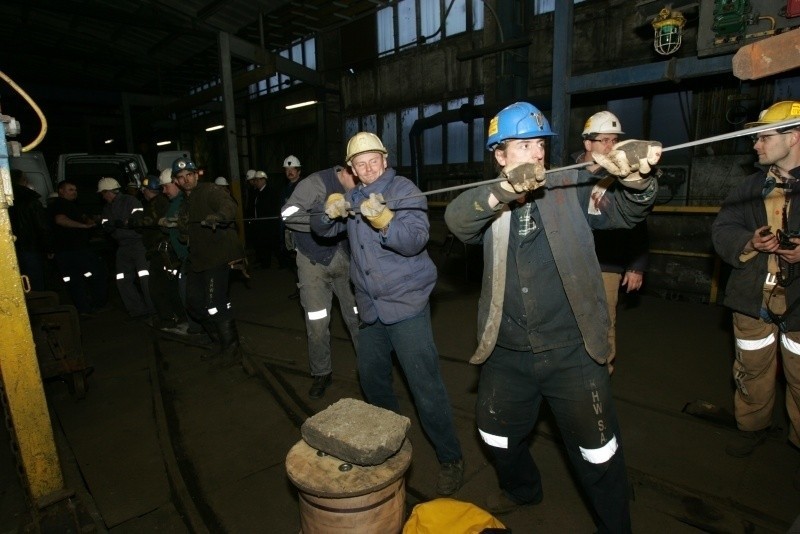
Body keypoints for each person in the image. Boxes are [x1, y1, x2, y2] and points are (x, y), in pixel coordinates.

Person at [444, 102, 661, 530]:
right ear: (500, 155)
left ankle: (616, 525)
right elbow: (457, 222)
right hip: (507, 350)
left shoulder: (572, 186)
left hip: (571, 349)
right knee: (495, 435)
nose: (537, 155)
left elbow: (621, 211)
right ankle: (522, 488)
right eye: (524, 145)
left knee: (599, 451)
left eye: (541, 145)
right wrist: (503, 192)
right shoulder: (488, 201)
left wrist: (637, 182)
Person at [313, 132, 464, 496]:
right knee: (373, 378)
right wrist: (329, 210)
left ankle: (451, 458)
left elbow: (414, 240)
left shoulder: (404, 189)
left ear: (384, 159)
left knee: (424, 386)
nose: (367, 168)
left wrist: (384, 220)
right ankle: (389, 444)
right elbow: (322, 230)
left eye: (373, 161)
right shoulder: (351, 196)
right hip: (369, 306)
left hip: (406, 303)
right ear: (351, 169)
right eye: (359, 164)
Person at [711, 101, 800, 481]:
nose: (756, 145)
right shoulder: (749, 188)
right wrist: (750, 241)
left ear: (793, 137)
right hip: (753, 300)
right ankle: (752, 428)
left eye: (764, 137)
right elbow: (722, 230)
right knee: (750, 370)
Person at [577, 111, 650, 375]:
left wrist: (636, 266)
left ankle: (602, 375)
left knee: (604, 322)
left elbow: (638, 222)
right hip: (571, 262)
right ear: (588, 143)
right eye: (605, 140)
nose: (611, 146)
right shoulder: (568, 176)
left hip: (607, 263)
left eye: (614, 140)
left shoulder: (621, 177)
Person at [280, 164, 361, 399]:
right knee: (317, 323)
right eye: (358, 181)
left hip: (345, 260)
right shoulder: (313, 185)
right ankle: (321, 373)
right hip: (312, 262)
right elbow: (287, 215)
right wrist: (324, 216)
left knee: (358, 317)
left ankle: (369, 369)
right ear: (347, 171)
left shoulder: (359, 184)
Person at [170, 157, 246, 367]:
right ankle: (218, 342)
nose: (186, 180)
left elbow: (228, 205)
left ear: (196, 175)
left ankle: (232, 350)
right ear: (177, 181)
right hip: (198, 260)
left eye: (189, 175)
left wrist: (219, 216)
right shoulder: (185, 204)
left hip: (218, 257)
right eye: (181, 177)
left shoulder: (209, 190)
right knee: (193, 303)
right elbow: (185, 234)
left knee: (215, 305)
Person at [98, 177, 156, 319]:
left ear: (108, 192)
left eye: (103, 193)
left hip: (137, 244)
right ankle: (137, 310)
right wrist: (107, 226)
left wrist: (122, 223)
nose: (103, 196)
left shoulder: (130, 201)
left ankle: (154, 310)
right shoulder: (107, 208)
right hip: (122, 247)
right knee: (122, 279)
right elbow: (105, 224)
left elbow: (138, 218)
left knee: (145, 277)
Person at [49, 181, 108, 316]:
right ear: (61, 191)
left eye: (75, 189)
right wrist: (84, 227)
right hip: (73, 250)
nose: (74, 192)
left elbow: (82, 217)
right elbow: (60, 219)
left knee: (76, 281)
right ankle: (96, 305)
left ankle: (84, 309)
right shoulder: (59, 204)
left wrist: (89, 221)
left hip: (69, 251)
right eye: (70, 190)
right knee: (96, 273)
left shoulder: (71, 205)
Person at [138, 174, 186, 331]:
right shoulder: (166, 202)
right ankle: (180, 316)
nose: (164, 190)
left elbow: (150, 222)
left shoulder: (158, 203)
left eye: (166, 187)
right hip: (165, 251)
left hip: (162, 252)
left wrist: (133, 221)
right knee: (171, 286)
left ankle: (169, 318)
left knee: (159, 287)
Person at [9, 169, 50, 291]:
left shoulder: (5, 200)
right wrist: (48, 246)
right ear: (24, 180)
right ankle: (37, 303)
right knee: (34, 280)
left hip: (11, 246)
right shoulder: (30, 200)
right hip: (30, 246)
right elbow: (42, 226)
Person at [246, 170, 281, 269]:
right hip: (261, 224)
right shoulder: (258, 192)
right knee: (264, 244)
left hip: (269, 224)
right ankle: (265, 263)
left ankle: (282, 263)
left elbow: (273, 208)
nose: (255, 182)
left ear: (263, 180)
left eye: (257, 180)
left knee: (274, 244)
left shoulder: (270, 192)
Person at [281, 155, 303, 280]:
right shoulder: (286, 189)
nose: (289, 172)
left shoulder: (304, 186)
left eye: (292, 169)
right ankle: (299, 287)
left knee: (301, 260)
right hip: (289, 229)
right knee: (294, 260)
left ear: (298, 171)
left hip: (300, 229)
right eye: (287, 170)